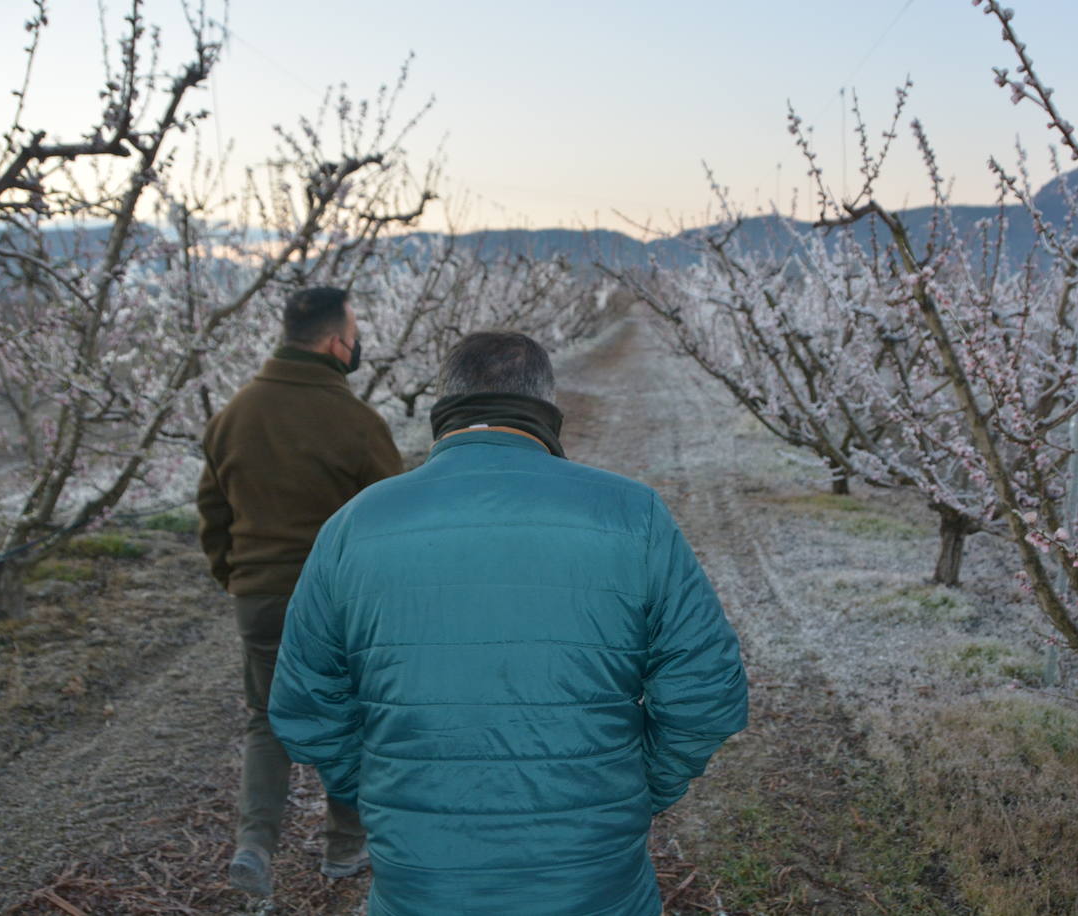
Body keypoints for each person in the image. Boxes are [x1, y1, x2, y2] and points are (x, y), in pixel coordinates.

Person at [268, 330, 747, 915]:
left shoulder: (354, 525)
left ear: (442, 411)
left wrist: (380, 793)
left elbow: (305, 703)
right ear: (547, 411)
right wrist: (640, 788)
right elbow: (708, 693)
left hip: (421, 886)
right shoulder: (632, 514)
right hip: (593, 886)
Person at [197, 286, 403, 896]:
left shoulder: (231, 415)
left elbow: (212, 512)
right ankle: (345, 847)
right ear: (338, 342)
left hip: (258, 597)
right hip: (335, 600)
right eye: (355, 332)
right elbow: (390, 519)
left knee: (267, 722)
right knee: (348, 714)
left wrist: (236, 580)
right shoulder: (358, 423)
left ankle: (254, 844)